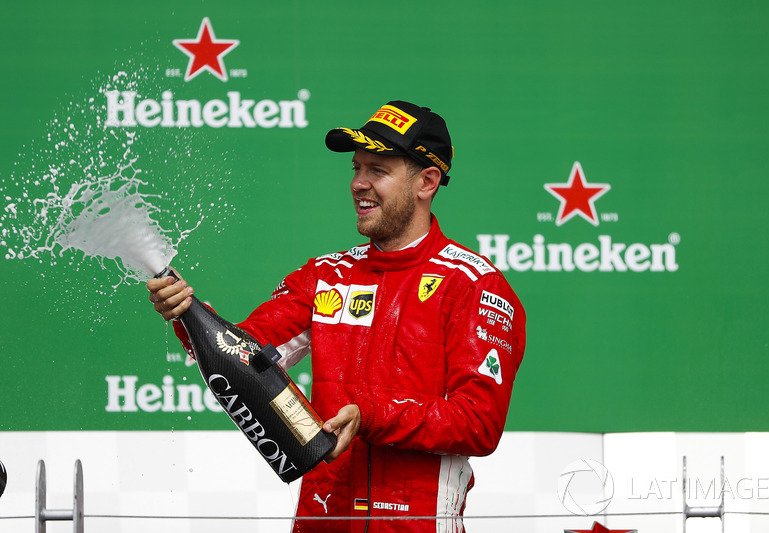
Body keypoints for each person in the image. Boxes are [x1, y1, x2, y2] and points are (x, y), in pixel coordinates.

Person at [147, 100, 526, 532]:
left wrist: (371, 414)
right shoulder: (324, 276)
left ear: (427, 181)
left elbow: (477, 424)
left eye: (377, 171)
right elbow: (244, 356)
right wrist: (187, 314)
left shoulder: (475, 285)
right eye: (355, 168)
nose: (359, 184)